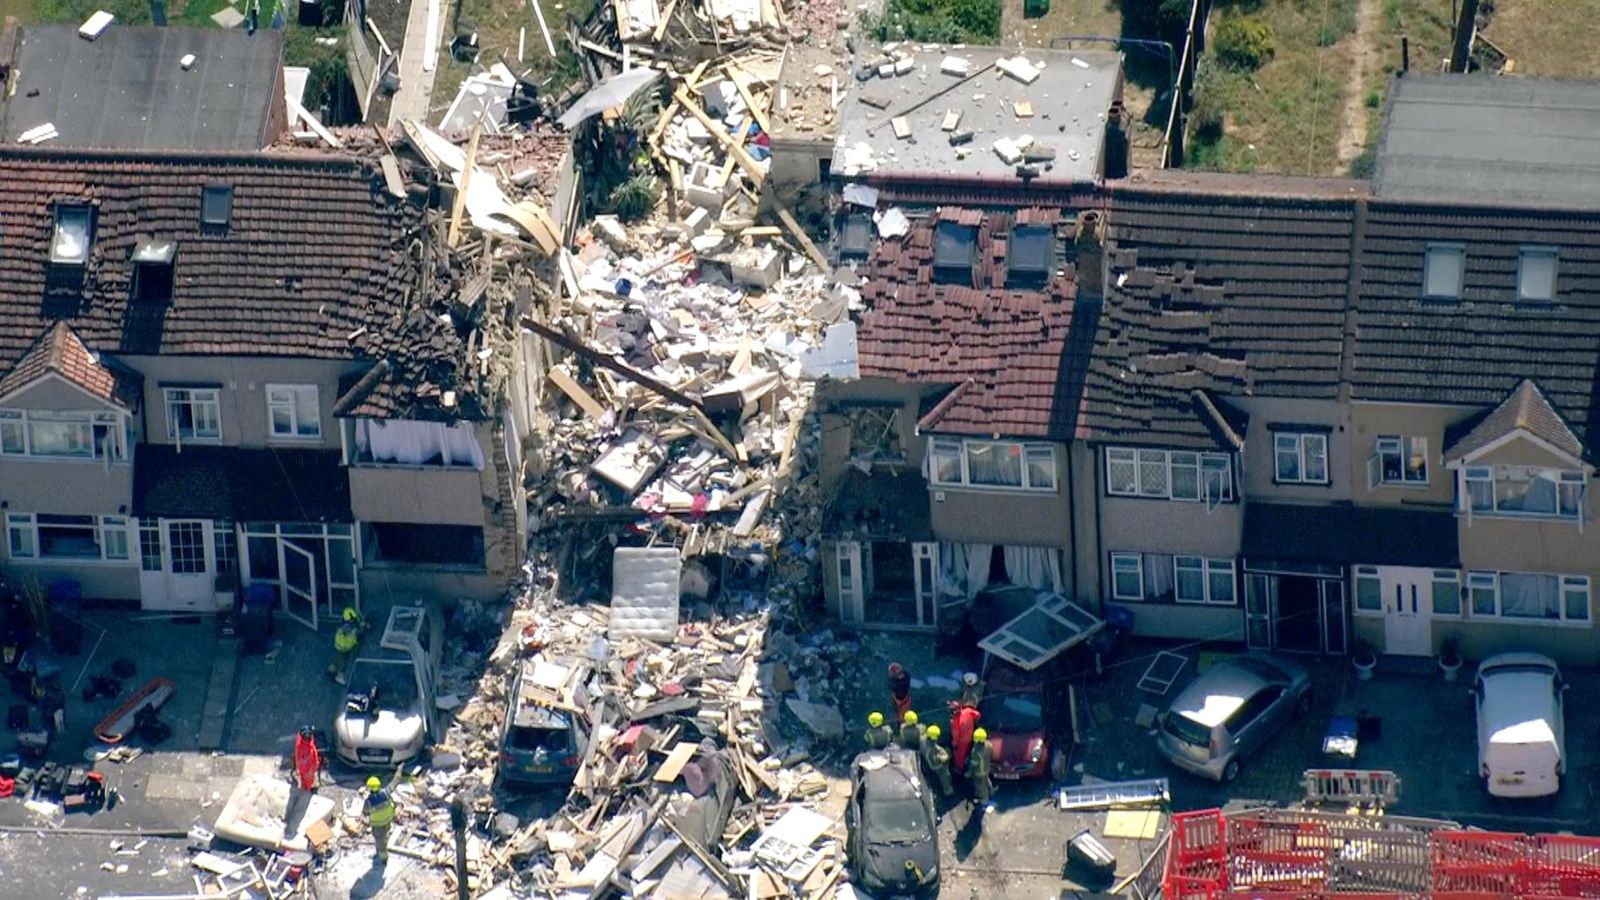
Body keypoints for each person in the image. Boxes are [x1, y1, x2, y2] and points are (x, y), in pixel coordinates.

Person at [327, 608, 365, 684]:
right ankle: (339, 677)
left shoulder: (347, 623)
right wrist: (355, 635)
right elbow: (348, 643)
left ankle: (331, 669)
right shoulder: (344, 630)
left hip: (343, 648)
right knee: (342, 662)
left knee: (337, 659)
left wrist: (363, 625)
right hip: (343, 649)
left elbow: (359, 623)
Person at [364, 776, 395, 863]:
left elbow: (365, 811)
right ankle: (380, 851)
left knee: (380, 842)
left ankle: (384, 858)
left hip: (378, 825)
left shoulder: (369, 801)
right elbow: (394, 783)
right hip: (388, 820)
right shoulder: (386, 793)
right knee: (384, 836)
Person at [921, 724, 954, 797]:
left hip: (926, 760)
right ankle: (948, 790)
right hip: (935, 765)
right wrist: (946, 757)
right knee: (945, 775)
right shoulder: (930, 750)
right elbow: (935, 762)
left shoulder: (923, 738)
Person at [968, 728, 994, 818]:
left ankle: (983, 802)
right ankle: (991, 792)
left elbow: (973, 764)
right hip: (986, 769)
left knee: (980, 788)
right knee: (986, 781)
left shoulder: (976, 751)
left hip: (979, 773)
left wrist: (968, 773)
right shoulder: (989, 745)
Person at [950, 701, 981, 774]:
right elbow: (978, 715)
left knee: (959, 757)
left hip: (962, 742)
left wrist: (955, 744)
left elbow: (956, 736)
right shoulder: (968, 711)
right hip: (970, 737)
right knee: (967, 751)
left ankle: (959, 769)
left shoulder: (955, 722)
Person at [293, 726, 321, 793]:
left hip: (308, 769)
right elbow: (302, 762)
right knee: (307, 783)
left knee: (307, 780)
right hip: (307, 771)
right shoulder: (303, 749)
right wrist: (310, 770)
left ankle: (307, 788)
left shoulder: (306, 743)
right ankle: (306, 791)